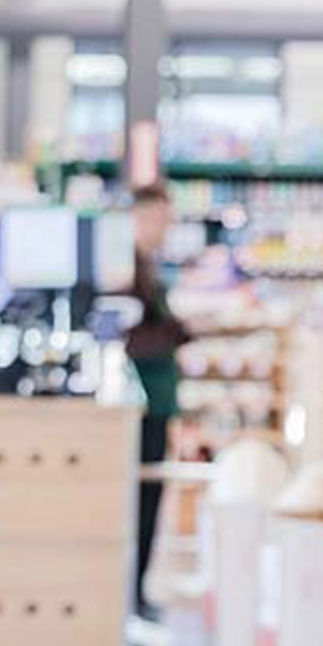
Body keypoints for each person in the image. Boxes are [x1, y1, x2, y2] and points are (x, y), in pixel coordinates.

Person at [125, 181, 191, 620]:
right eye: (162, 219)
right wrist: (179, 330)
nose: (167, 228)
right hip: (143, 405)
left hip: (157, 401)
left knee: (150, 499)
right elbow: (137, 337)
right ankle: (134, 596)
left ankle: (138, 592)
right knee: (142, 502)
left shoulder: (145, 266)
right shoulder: (127, 270)